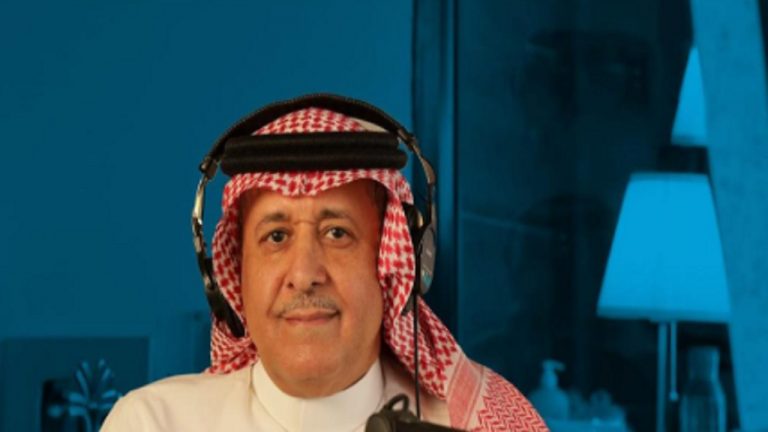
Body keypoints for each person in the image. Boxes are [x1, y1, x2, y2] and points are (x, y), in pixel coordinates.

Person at [101, 95, 547, 431]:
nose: (304, 275)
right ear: (233, 276)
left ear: (394, 267)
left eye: (337, 234)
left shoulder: (479, 423)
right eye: (276, 237)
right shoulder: (152, 423)